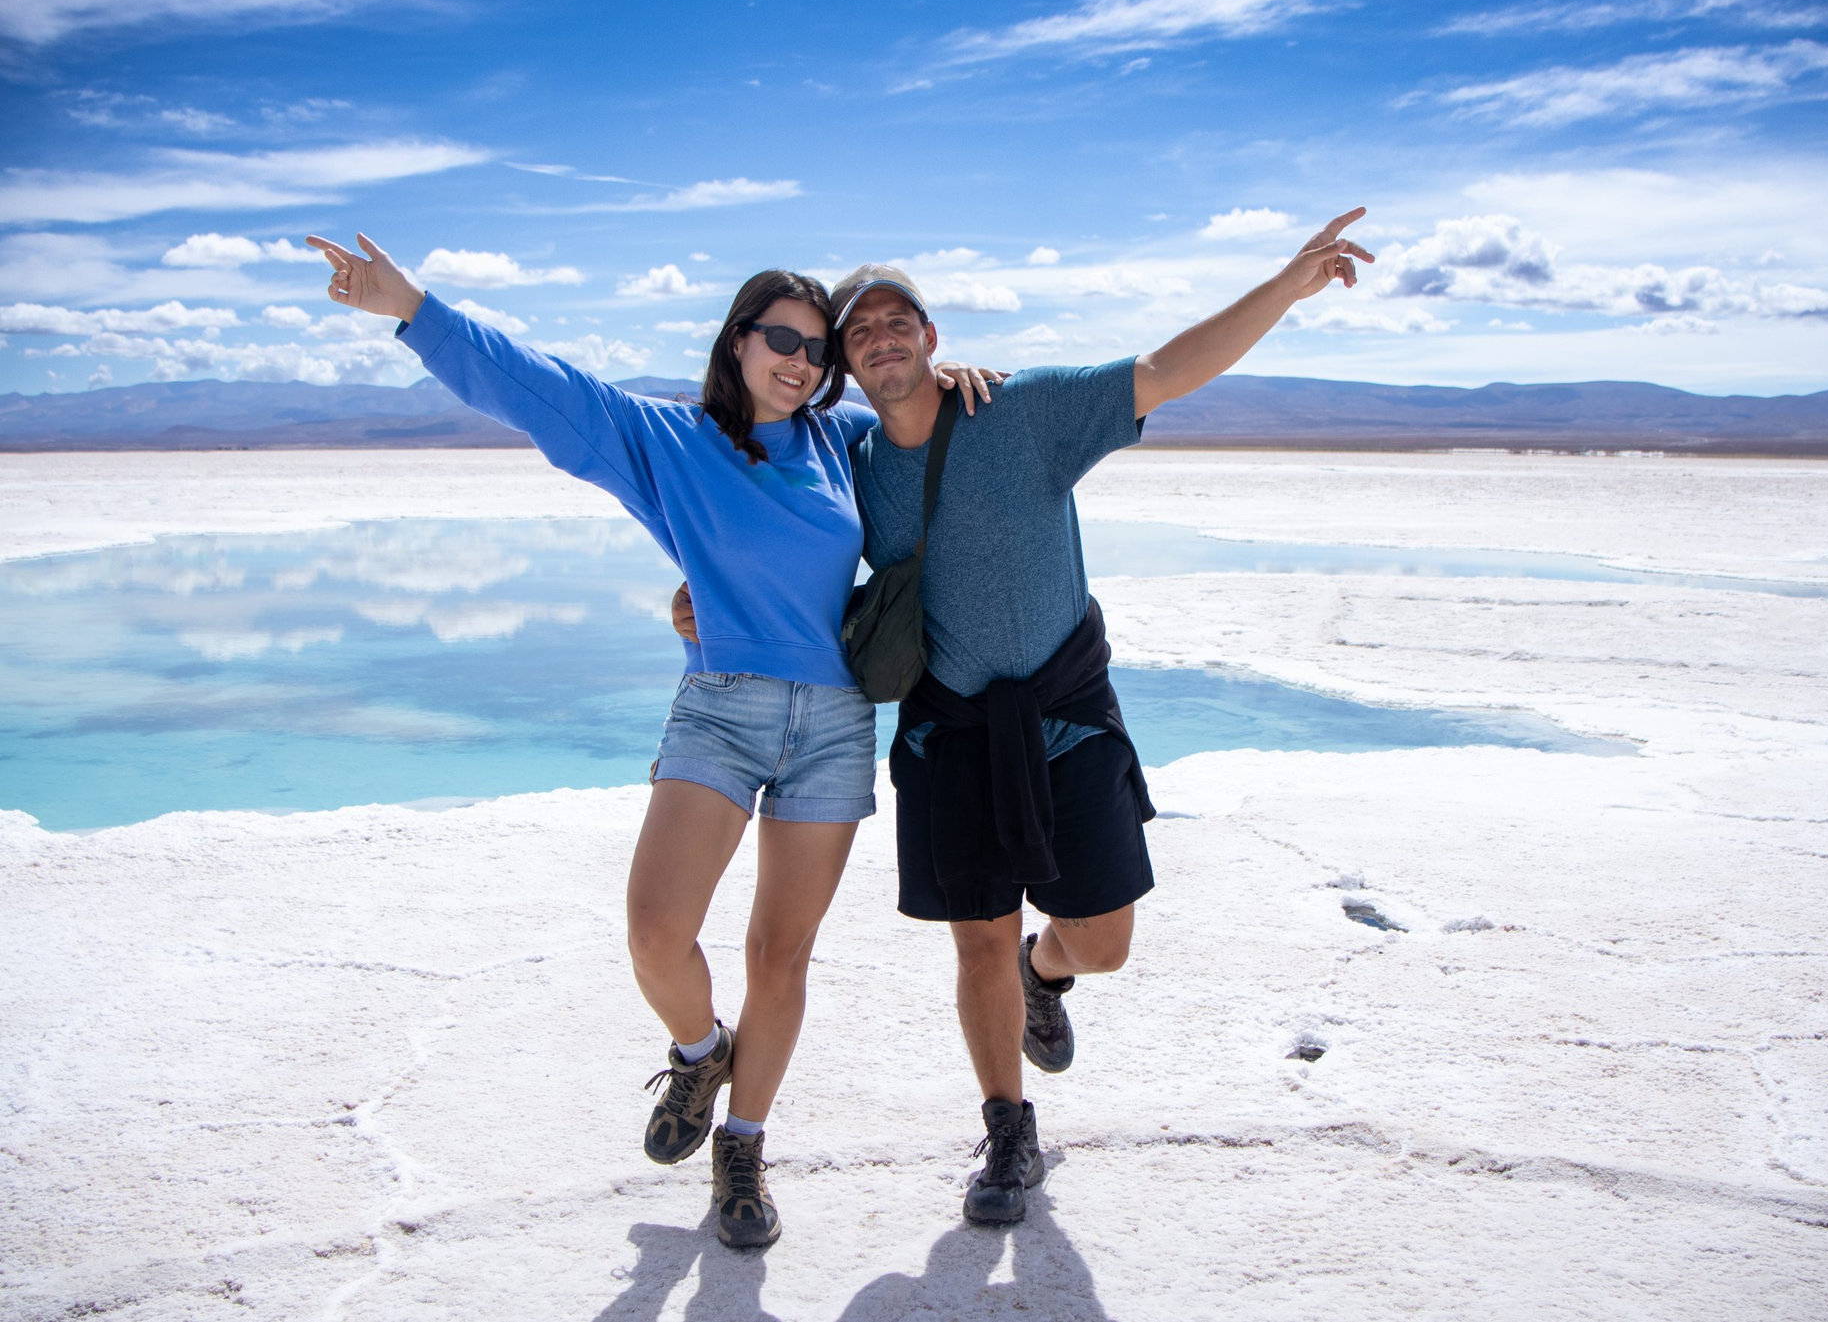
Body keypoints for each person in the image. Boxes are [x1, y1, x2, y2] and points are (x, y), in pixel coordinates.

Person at [304, 232, 999, 1249]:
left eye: (817, 349)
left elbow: (915, 432)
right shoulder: (665, 441)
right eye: (781, 339)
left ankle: (745, 1149)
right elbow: (544, 389)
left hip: (835, 722)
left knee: (780, 951)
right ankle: (699, 1045)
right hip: (720, 708)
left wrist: (961, 377)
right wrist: (415, 309)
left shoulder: (836, 443)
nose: (801, 361)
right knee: (655, 930)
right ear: (736, 342)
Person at [681, 207, 1373, 1224]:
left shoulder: (1026, 409)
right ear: (847, 364)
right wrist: (701, 599)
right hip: (950, 730)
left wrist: (1285, 284)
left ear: (930, 336)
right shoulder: (855, 461)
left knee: (1102, 939)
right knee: (973, 940)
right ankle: (1009, 1128)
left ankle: (1044, 970)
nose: (880, 336)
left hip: (1063, 711)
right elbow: (782, 539)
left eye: (897, 319)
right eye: (859, 329)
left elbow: (1166, 368)